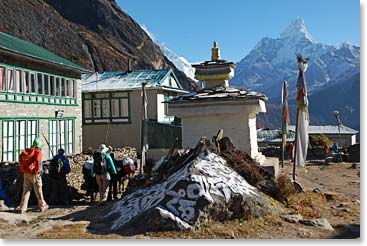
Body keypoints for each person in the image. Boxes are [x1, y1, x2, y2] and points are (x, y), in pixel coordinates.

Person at [18, 137, 48, 215]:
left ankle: (22, 208)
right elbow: (38, 161)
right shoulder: (38, 152)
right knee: (38, 190)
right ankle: (42, 206)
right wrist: (38, 170)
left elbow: (20, 161)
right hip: (34, 173)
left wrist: (23, 170)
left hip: (26, 173)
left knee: (26, 191)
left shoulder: (27, 152)